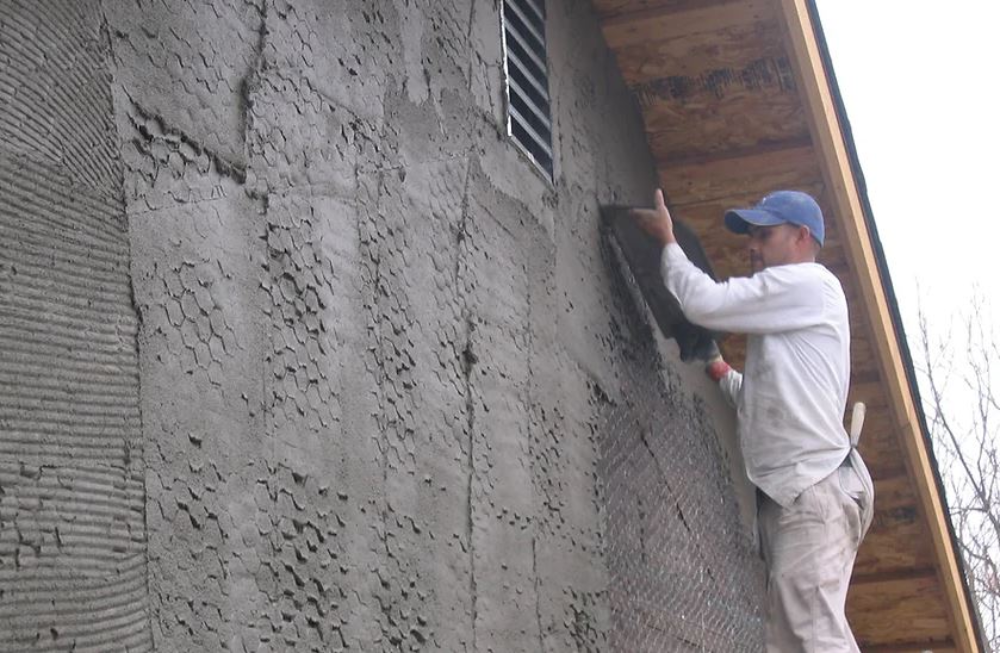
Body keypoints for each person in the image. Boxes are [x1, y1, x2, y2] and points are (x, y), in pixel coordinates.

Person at [631, 189, 874, 652]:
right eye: (752, 236)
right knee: (788, 640)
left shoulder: (809, 283)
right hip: (797, 492)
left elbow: (706, 302)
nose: (753, 246)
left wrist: (668, 243)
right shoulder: (794, 313)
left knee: (812, 634)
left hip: (811, 490)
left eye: (765, 234)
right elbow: (771, 400)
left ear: (802, 237)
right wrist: (720, 370)